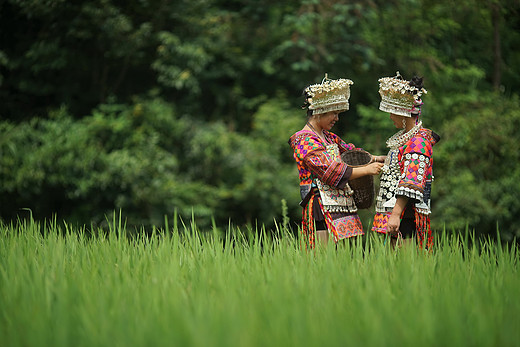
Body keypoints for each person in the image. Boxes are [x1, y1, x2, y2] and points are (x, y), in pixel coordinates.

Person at [289, 75, 384, 248]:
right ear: (319, 111)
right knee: (322, 259)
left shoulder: (328, 137)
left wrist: (378, 158)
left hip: (340, 204)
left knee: (346, 260)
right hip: (320, 205)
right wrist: (368, 170)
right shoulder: (303, 140)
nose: (337, 118)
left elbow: (351, 153)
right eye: (334, 113)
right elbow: (330, 171)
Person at [371, 72, 440, 248]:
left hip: (406, 214)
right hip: (399, 212)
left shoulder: (418, 141)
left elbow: (411, 180)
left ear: (402, 113)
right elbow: (402, 163)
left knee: (404, 267)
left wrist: (395, 214)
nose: (390, 117)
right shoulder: (407, 139)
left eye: (392, 113)